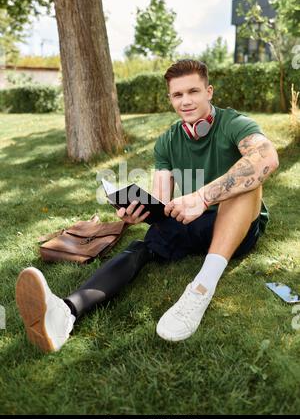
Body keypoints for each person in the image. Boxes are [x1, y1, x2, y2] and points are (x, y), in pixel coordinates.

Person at [16, 59, 279, 352]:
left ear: (209, 92)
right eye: (177, 95)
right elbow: (162, 201)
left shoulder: (234, 123)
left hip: (237, 227)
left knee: (246, 184)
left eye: (193, 91)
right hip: (192, 222)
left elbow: (266, 158)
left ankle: (201, 288)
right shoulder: (167, 141)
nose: (186, 100)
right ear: (170, 99)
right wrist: (139, 212)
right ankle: (66, 312)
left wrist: (202, 197)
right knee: (141, 246)